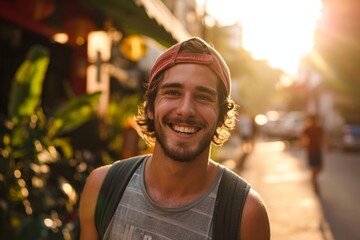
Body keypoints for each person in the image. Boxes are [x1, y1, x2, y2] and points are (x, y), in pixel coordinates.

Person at [79, 37, 270, 240]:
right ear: (151, 107)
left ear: (221, 115)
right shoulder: (102, 187)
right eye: (172, 92)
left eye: (203, 97)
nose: (186, 110)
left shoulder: (245, 214)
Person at [302, 114, 324, 193]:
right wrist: (305, 146)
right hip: (311, 151)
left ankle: (314, 180)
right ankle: (314, 184)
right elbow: (304, 139)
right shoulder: (307, 129)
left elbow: (322, 138)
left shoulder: (319, 129)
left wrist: (326, 146)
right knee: (313, 168)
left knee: (319, 168)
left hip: (318, 150)